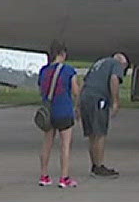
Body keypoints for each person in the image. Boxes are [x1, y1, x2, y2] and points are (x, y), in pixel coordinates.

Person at [36, 44, 81, 188]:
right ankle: (64, 177)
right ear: (62, 54)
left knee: (47, 143)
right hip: (64, 110)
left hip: (48, 111)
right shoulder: (68, 70)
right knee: (65, 145)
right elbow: (75, 91)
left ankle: (44, 175)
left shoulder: (43, 71)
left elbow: (41, 90)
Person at [80, 51, 129, 176]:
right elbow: (114, 79)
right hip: (98, 98)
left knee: (91, 134)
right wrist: (116, 101)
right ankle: (99, 166)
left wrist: (77, 105)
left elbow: (84, 82)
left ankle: (94, 165)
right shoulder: (116, 64)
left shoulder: (99, 63)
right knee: (100, 133)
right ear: (122, 63)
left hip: (86, 97)